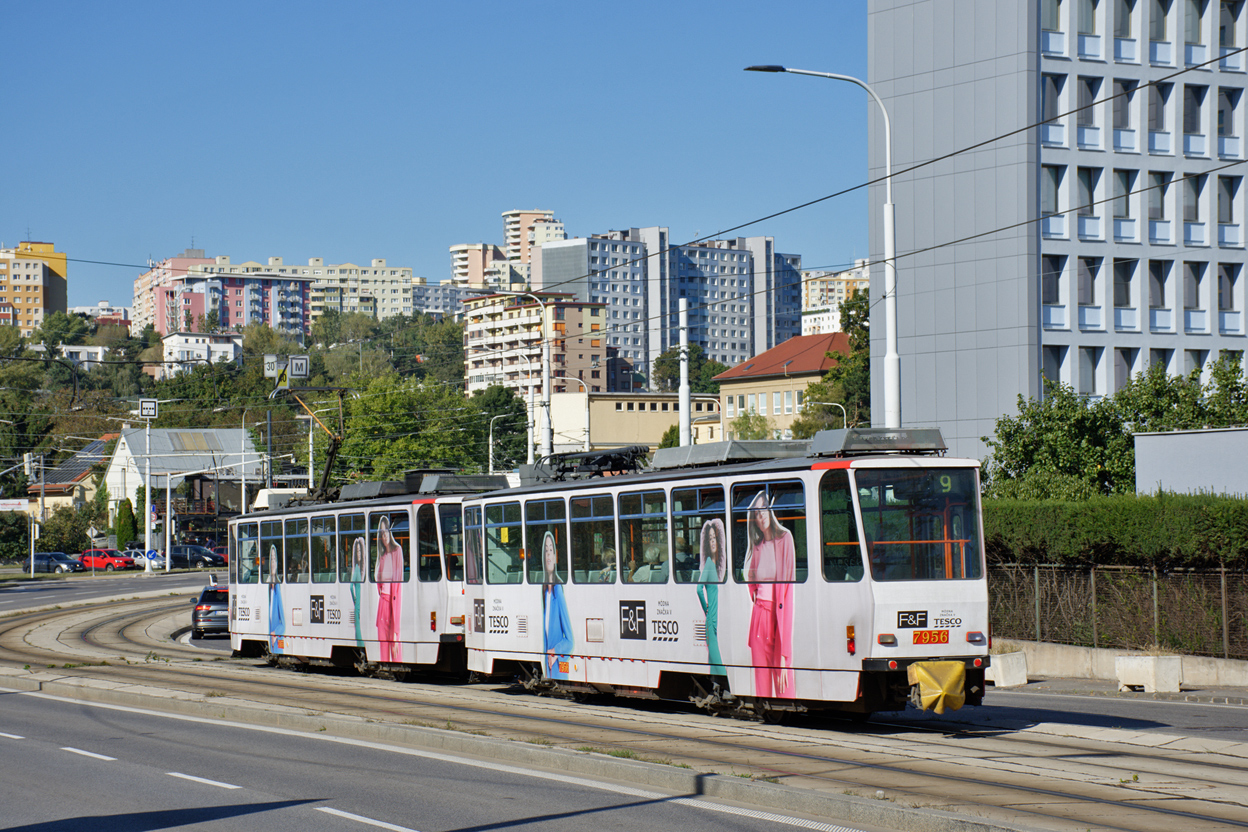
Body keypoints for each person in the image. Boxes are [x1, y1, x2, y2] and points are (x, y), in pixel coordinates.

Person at [744, 491, 795, 698]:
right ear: (754, 520)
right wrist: (755, 593)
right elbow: (750, 577)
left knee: (785, 688)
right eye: (756, 513)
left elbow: (788, 596)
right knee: (762, 686)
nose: (761, 515)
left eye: (763, 509)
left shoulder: (786, 539)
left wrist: (785, 653)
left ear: (770, 511)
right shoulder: (756, 548)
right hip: (759, 617)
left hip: (778, 618)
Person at [540, 531, 573, 680]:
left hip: (557, 666)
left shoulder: (558, 590)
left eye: (551, 550)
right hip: (548, 666)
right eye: (546, 550)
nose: (548, 555)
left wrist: (555, 652)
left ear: (555, 557)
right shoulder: (543, 591)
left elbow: (570, 640)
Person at [697, 518, 727, 676]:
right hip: (711, 621)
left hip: (714, 620)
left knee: (713, 666)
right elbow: (698, 589)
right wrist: (706, 608)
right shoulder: (709, 564)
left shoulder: (715, 566)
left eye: (714, 537)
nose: (713, 541)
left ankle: (718, 687)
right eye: (709, 539)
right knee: (720, 667)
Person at [375, 516, 404, 663]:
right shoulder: (382, 556)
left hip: (392, 604)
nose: (384, 536)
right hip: (382, 605)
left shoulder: (397, 551)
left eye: (386, 532)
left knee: (395, 646)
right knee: (383, 647)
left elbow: (397, 590)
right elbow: (378, 581)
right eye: (381, 533)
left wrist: (396, 631)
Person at [348, 537, 366, 647]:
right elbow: (351, 587)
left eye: (360, 551)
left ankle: (360, 644)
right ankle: (360, 644)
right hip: (357, 604)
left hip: (359, 603)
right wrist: (355, 601)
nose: (359, 554)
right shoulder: (356, 569)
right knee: (358, 627)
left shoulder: (359, 568)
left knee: (359, 627)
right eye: (357, 551)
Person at [266, 544, 284, 653]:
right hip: (270, 636)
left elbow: (284, 622)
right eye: (271, 559)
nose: (273, 562)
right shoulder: (268, 587)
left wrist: (275, 633)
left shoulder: (278, 589)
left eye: (274, 559)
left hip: (275, 638)